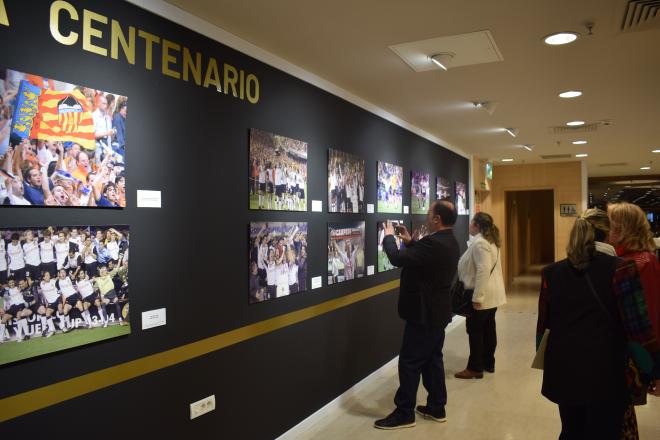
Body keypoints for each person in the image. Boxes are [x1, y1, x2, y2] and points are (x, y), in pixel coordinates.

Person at [536, 209, 660, 440]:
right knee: (604, 432)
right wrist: (653, 369)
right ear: (609, 234)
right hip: (606, 374)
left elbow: (543, 328)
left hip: (564, 371)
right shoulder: (621, 269)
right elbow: (638, 329)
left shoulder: (551, 272)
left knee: (572, 430)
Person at [374, 199, 460, 430]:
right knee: (433, 360)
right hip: (437, 313)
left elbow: (397, 258)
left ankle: (404, 413)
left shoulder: (433, 244)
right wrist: (411, 242)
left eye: (429, 213)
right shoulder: (449, 241)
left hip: (424, 314)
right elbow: (424, 261)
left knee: (410, 362)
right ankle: (436, 407)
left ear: (437, 219)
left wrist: (389, 236)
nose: (426, 216)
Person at [455, 212, 506, 379]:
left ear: (476, 225)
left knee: (475, 330)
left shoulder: (480, 244)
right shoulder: (490, 242)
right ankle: (488, 363)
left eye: (471, 223)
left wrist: (477, 298)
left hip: (483, 295)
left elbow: (483, 271)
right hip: (492, 295)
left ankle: (475, 367)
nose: (469, 225)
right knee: (488, 329)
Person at [608, 202, 660, 339]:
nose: (606, 231)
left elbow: (647, 315)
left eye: (609, 226)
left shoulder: (638, 263)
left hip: (639, 347)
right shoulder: (644, 259)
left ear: (622, 229)